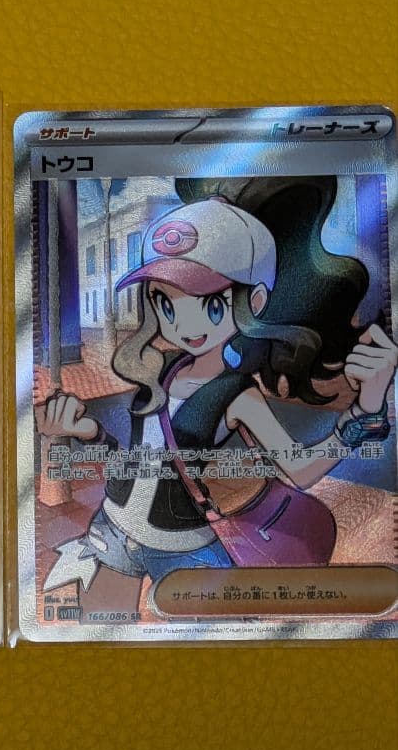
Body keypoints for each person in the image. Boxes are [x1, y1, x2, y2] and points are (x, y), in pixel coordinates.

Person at [38, 176, 398, 608]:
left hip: (183, 548)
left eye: (211, 306)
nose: (185, 325)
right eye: (167, 304)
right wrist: (89, 434)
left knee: (211, 645)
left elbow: (300, 470)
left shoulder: (237, 393)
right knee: (100, 639)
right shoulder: (163, 369)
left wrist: (365, 412)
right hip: (112, 530)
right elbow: (141, 461)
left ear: (255, 302)